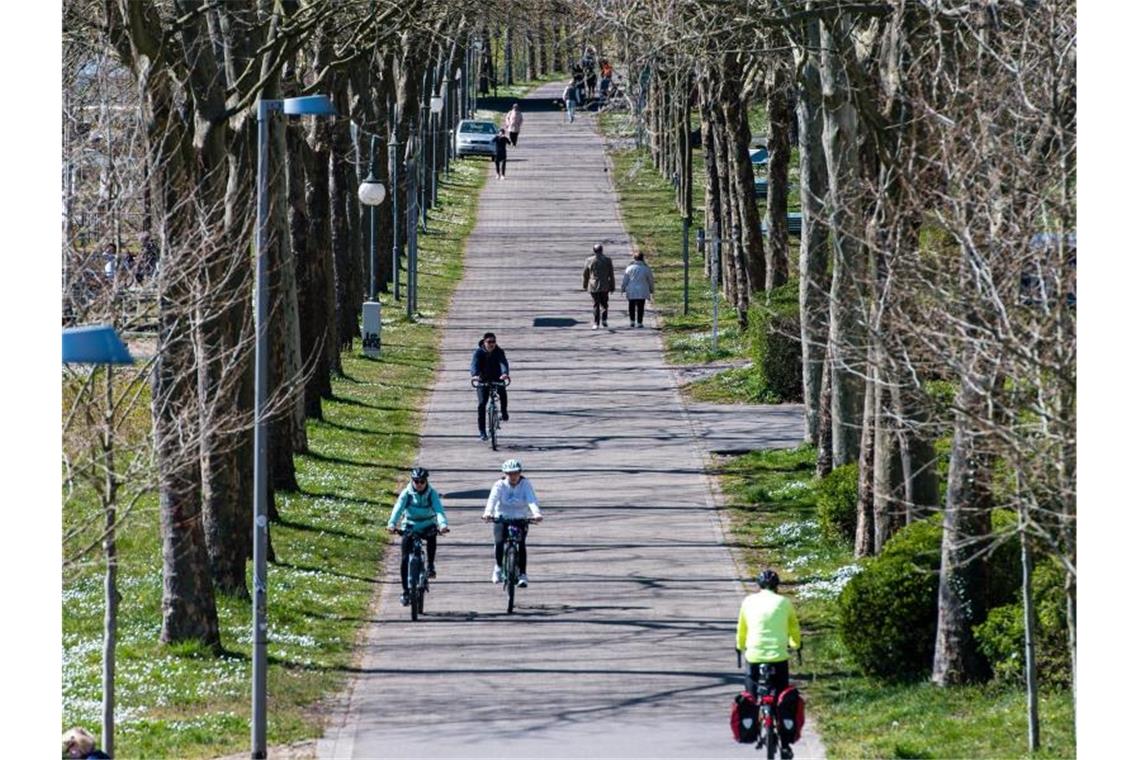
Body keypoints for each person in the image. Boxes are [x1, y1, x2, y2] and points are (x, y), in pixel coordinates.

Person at [736, 569, 801, 759]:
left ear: (758, 586)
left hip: (754, 657)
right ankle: (786, 744)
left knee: (751, 695)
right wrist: (795, 644)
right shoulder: (784, 603)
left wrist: (740, 646)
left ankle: (755, 725)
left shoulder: (748, 602)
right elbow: (793, 628)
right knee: (782, 696)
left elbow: (742, 628)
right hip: (778, 657)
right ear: (777, 586)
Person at [387, 467, 449, 606]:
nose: (419, 484)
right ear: (412, 480)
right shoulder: (407, 493)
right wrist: (392, 524)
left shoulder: (431, 493)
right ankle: (405, 591)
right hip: (410, 525)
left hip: (427, 524)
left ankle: (431, 566)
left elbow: (439, 510)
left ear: (426, 481)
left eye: (422, 481)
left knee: (433, 535)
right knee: (404, 559)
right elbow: (398, 508)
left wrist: (443, 525)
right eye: (416, 481)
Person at [482, 459, 543, 586]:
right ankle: (498, 567)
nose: (513, 476)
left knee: (521, 544)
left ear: (520, 473)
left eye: (515, 473)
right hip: (502, 517)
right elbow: (492, 499)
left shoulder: (525, 484)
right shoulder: (499, 485)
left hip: (520, 518)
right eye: (509, 474)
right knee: (499, 542)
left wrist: (536, 514)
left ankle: (522, 574)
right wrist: (488, 513)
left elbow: (531, 499)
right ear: (505, 474)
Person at [470, 332, 510, 440]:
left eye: (493, 342)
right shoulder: (478, 353)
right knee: (482, 404)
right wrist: (475, 375)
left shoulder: (499, 351)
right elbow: (474, 364)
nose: (491, 344)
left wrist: (505, 374)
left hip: (497, 377)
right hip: (483, 380)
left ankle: (504, 411)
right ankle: (482, 431)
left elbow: (503, 363)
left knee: (502, 391)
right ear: (484, 342)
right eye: (489, 342)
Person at [582, 243, 615, 329]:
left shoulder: (589, 260)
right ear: (602, 250)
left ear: (594, 251)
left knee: (596, 304)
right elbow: (611, 274)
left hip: (593, 284)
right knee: (604, 303)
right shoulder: (607, 260)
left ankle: (596, 323)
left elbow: (586, 274)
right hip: (605, 284)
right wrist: (612, 286)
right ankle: (604, 320)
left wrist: (585, 285)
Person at [621, 251, 655, 328]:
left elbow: (625, 279)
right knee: (641, 306)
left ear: (634, 258)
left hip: (631, 289)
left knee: (631, 306)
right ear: (642, 258)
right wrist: (651, 289)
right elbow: (650, 280)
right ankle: (640, 322)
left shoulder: (629, 268)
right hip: (642, 289)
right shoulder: (646, 268)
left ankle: (632, 321)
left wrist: (623, 288)